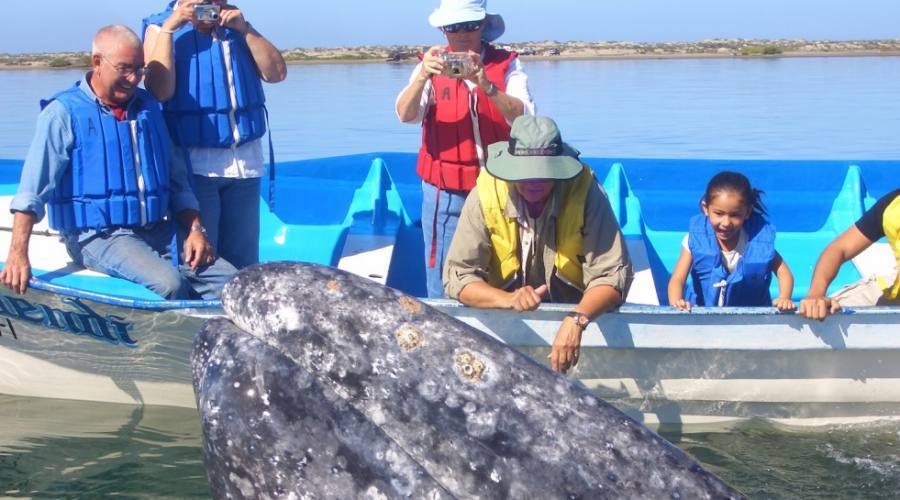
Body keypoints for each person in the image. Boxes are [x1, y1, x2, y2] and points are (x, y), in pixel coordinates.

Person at [0, 25, 236, 300]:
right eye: (124, 68)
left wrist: (196, 229)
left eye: (140, 69)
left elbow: (178, 180)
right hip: (97, 236)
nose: (134, 78)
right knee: (170, 285)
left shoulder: (150, 110)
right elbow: (32, 190)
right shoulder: (62, 114)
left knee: (232, 283)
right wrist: (18, 254)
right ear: (98, 62)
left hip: (158, 230)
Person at [444, 116, 633, 374]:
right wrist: (508, 299)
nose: (534, 182)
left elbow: (612, 276)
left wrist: (577, 320)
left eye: (544, 174)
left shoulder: (587, 192)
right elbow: (458, 278)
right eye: (525, 174)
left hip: (575, 309)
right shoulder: (485, 194)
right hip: (502, 314)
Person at [396, 0, 535, 298]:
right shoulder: (430, 65)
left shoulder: (507, 64)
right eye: (453, 27)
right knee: (443, 279)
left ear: (484, 25)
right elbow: (406, 115)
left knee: (506, 274)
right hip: (446, 193)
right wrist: (423, 76)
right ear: (443, 29)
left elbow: (525, 118)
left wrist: (487, 85)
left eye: (469, 25)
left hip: (502, 189)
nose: (461, 34)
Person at [142, 0, 287, 269]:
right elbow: (159, 91)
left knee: (244, 263)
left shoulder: (237, 26)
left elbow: (277, 73)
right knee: (204, 261)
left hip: (245, 165)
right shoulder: (159, 27)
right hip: (195, 166)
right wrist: (171, 28)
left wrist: (246, 30)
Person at [667, 171, 795, 312]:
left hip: (751, 319)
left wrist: (785, 297)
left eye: (734, 215)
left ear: (747, 212)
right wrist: (677, 303)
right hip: (700, 314)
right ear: (706, 209)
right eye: (719, 214)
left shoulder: (757, 242)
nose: (726, 223)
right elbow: (677, 280)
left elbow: (784, 273)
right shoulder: (693, 240)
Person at [799, 188, 900, 320]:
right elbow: (839, 249)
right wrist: (816, 295)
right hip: (896, 289)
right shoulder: (893, 206)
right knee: (825, 312)